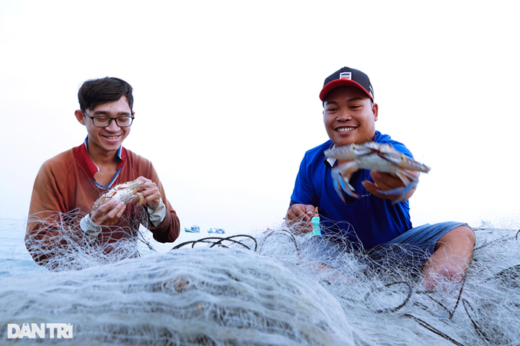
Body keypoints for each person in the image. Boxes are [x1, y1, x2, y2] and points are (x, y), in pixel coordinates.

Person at [285, 67, 475, 288]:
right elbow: (295, 217)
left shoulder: (390, 148)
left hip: (394, 251)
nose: (343, 115)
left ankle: (430, 303)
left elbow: (406, 176)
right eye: (333, 108)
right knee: (298, 251)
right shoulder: (311, 160)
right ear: (324, 115)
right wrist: (296, 217)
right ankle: (357, 294)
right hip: (337, 257)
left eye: (355, 106)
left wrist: (401, 180)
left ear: (374, 111)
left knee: (460, 233)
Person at [25, 77, 180, 270]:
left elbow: (170, 234)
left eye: (122, 118)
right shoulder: (55, 168)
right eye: (101, 118)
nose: (113, 128)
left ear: (132, 115)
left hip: (127, 280)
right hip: (74, 285)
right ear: (81, 117)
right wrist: (90, 224)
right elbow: (38, 248)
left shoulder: (143, 166)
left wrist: (156, 207)